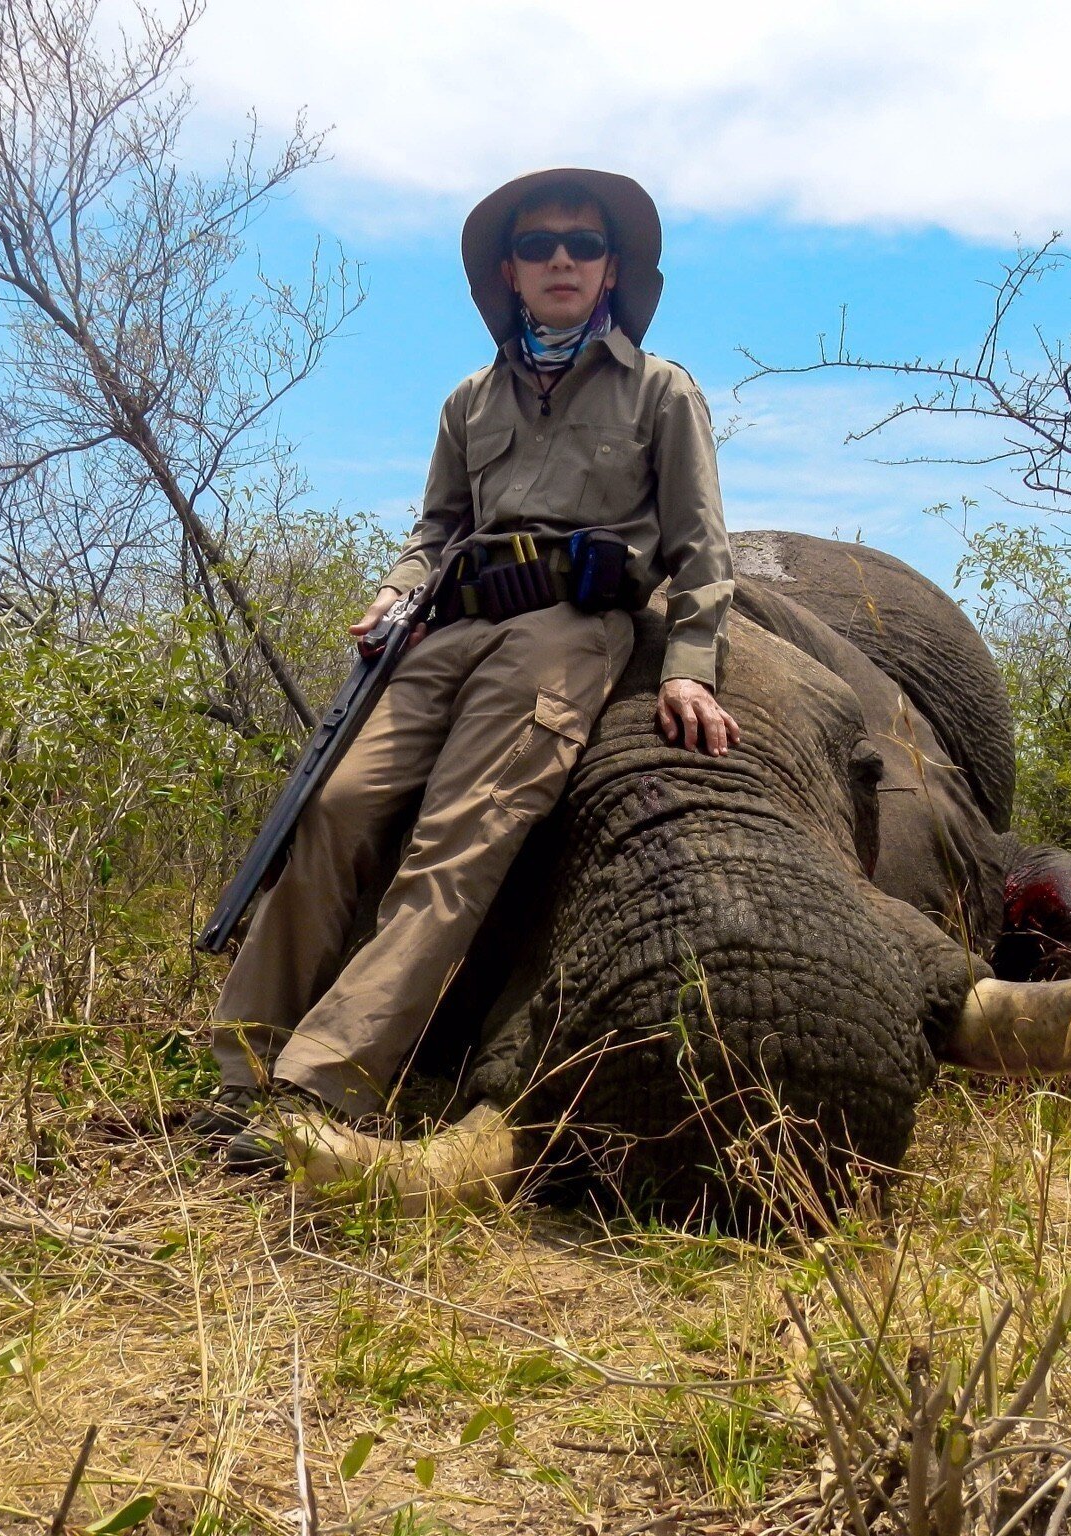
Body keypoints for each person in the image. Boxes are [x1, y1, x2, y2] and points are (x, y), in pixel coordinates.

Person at [193, 168, 739, 1171]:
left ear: (613, 269)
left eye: (581, 243)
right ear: (509, 272)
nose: (561, 259)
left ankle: (324, 1086)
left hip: (567, 631)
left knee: (455, 843)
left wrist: (690, 665)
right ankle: (240, 1069)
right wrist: (398, 587)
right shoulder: (467, 399)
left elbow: (702, 546)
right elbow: (435, 527)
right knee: (331, 810)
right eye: (540, 246)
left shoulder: (661, 391)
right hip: (445, 629)